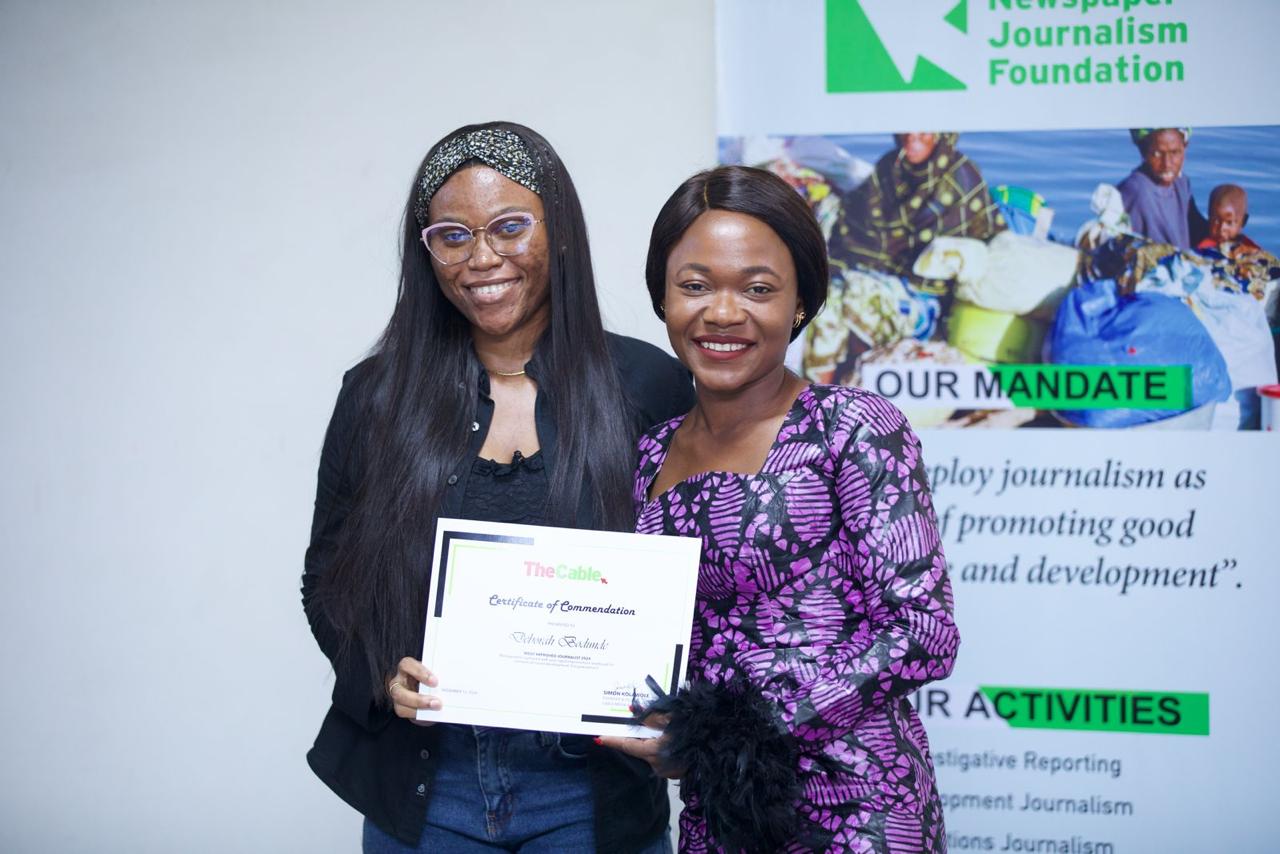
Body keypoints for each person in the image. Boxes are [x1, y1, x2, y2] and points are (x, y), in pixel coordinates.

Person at [302, 121, 694, 852]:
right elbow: (327, 577)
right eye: (452, 236)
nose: (481, 258)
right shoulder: (377, 395)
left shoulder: (648, 386)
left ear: (560, 232)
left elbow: (703, 576)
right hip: (429, 789)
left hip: (592, 793)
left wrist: (682, 711)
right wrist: (381, 676)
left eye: (510, 227)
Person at [602, 166, 959, 852]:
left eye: (758, 289)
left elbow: (923, 631)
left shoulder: (853, 426)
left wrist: (741, 732)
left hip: (859, 809)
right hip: (719, 813)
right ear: (663, 298)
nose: (723, 313)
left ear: (800, 303)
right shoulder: (647, 453)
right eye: (695, 286)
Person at [827, 132, 1004, 283]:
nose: (911, 137)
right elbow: (856, 214)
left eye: (923, 132)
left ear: (940, 135)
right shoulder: (889, 166)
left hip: (932, 281)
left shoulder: (962, 176)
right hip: (877, 267)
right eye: (906, 129)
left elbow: (983, 232)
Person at [1117, 128, 1207, 250]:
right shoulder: (1136, 190)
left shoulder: (1181, 183)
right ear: (1143, 151)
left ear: (1185, 148)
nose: (1167, 164)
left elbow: (1197, 230)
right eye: (1157, 154)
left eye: (1174, 152)